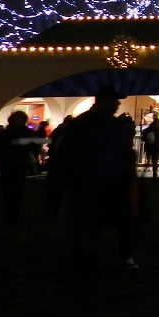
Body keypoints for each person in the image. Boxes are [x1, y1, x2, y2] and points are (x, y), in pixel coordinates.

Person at [50, 85, 138, 281]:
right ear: (103, 101)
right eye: (114, 100)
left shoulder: (87, 123)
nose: (117, 104)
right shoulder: (93, 125)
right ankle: (99, 261)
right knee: (98, 223)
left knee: (98, 224)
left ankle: (92, 260)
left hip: (105, 181)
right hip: (95, 182)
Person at [0, 111, 37, 225]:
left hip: (19, 163)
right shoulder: (6, 133)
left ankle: (13, 214)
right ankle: (9, 212)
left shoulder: (25, 132)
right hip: (7, 163)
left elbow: (33, 145)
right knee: (6, 190)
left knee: (16, 190)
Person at [141, 114, 159, 179]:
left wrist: (148, 139)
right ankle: (154, 174)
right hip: (156, 148)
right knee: (155, 161)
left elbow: (143, 138)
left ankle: (144, 173)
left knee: (148, 161)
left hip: (149, 146)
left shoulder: (148, 129)